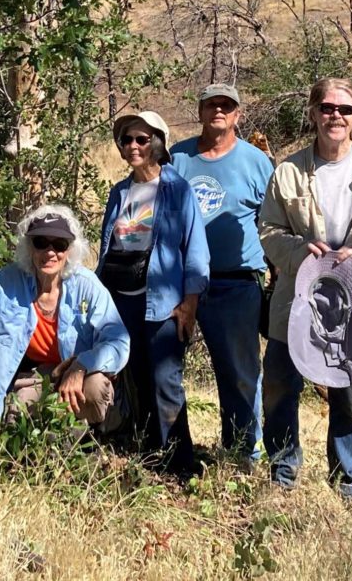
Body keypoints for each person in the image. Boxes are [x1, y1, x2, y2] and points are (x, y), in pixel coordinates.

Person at [258, 78, 352, 499]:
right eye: (327, 108)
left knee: (349, 395)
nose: (335, 116)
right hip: (297, 301)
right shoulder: (288, 171)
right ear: (313, 113)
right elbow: (269, 230)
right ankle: (282, 474)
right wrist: (297, 251)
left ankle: (347, 483)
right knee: (279, 387)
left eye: (345, 110)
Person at [97, 109, 209, 476]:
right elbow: (107, 247)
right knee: (136, 378)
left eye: (141, 139)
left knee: (165, 381)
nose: (133, 146)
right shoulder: (120, 191)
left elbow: (195, 250)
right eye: (127, 139)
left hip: (162, 304)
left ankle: (180, 464)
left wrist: (189, 303)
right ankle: (146, 453)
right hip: (121, 301)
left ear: (157, 144)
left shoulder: (177, 190)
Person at [170, 83, 274, 468]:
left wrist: (278, 279)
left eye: (226, 106)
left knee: (241, 373)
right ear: (199, 111)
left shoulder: (256, 161)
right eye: (211, 104)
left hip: (236, 282)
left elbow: (273, 222)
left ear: (237, 115)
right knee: (165, 367)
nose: (219, 111)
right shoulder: (177, 158)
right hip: (178, 283)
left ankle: (243, 452)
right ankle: (169, 448)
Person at [0, 205, 129, 431]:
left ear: (69, 250)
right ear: (29, 247)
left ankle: (88, 433)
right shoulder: (8, 281)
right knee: (16, 424)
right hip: (38, 376)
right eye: (41, 242)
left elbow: (119, 342)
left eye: (59, 244)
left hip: (80, 371)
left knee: (95, 388)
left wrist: (81, 365)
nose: (50, 252)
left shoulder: (87, 286)